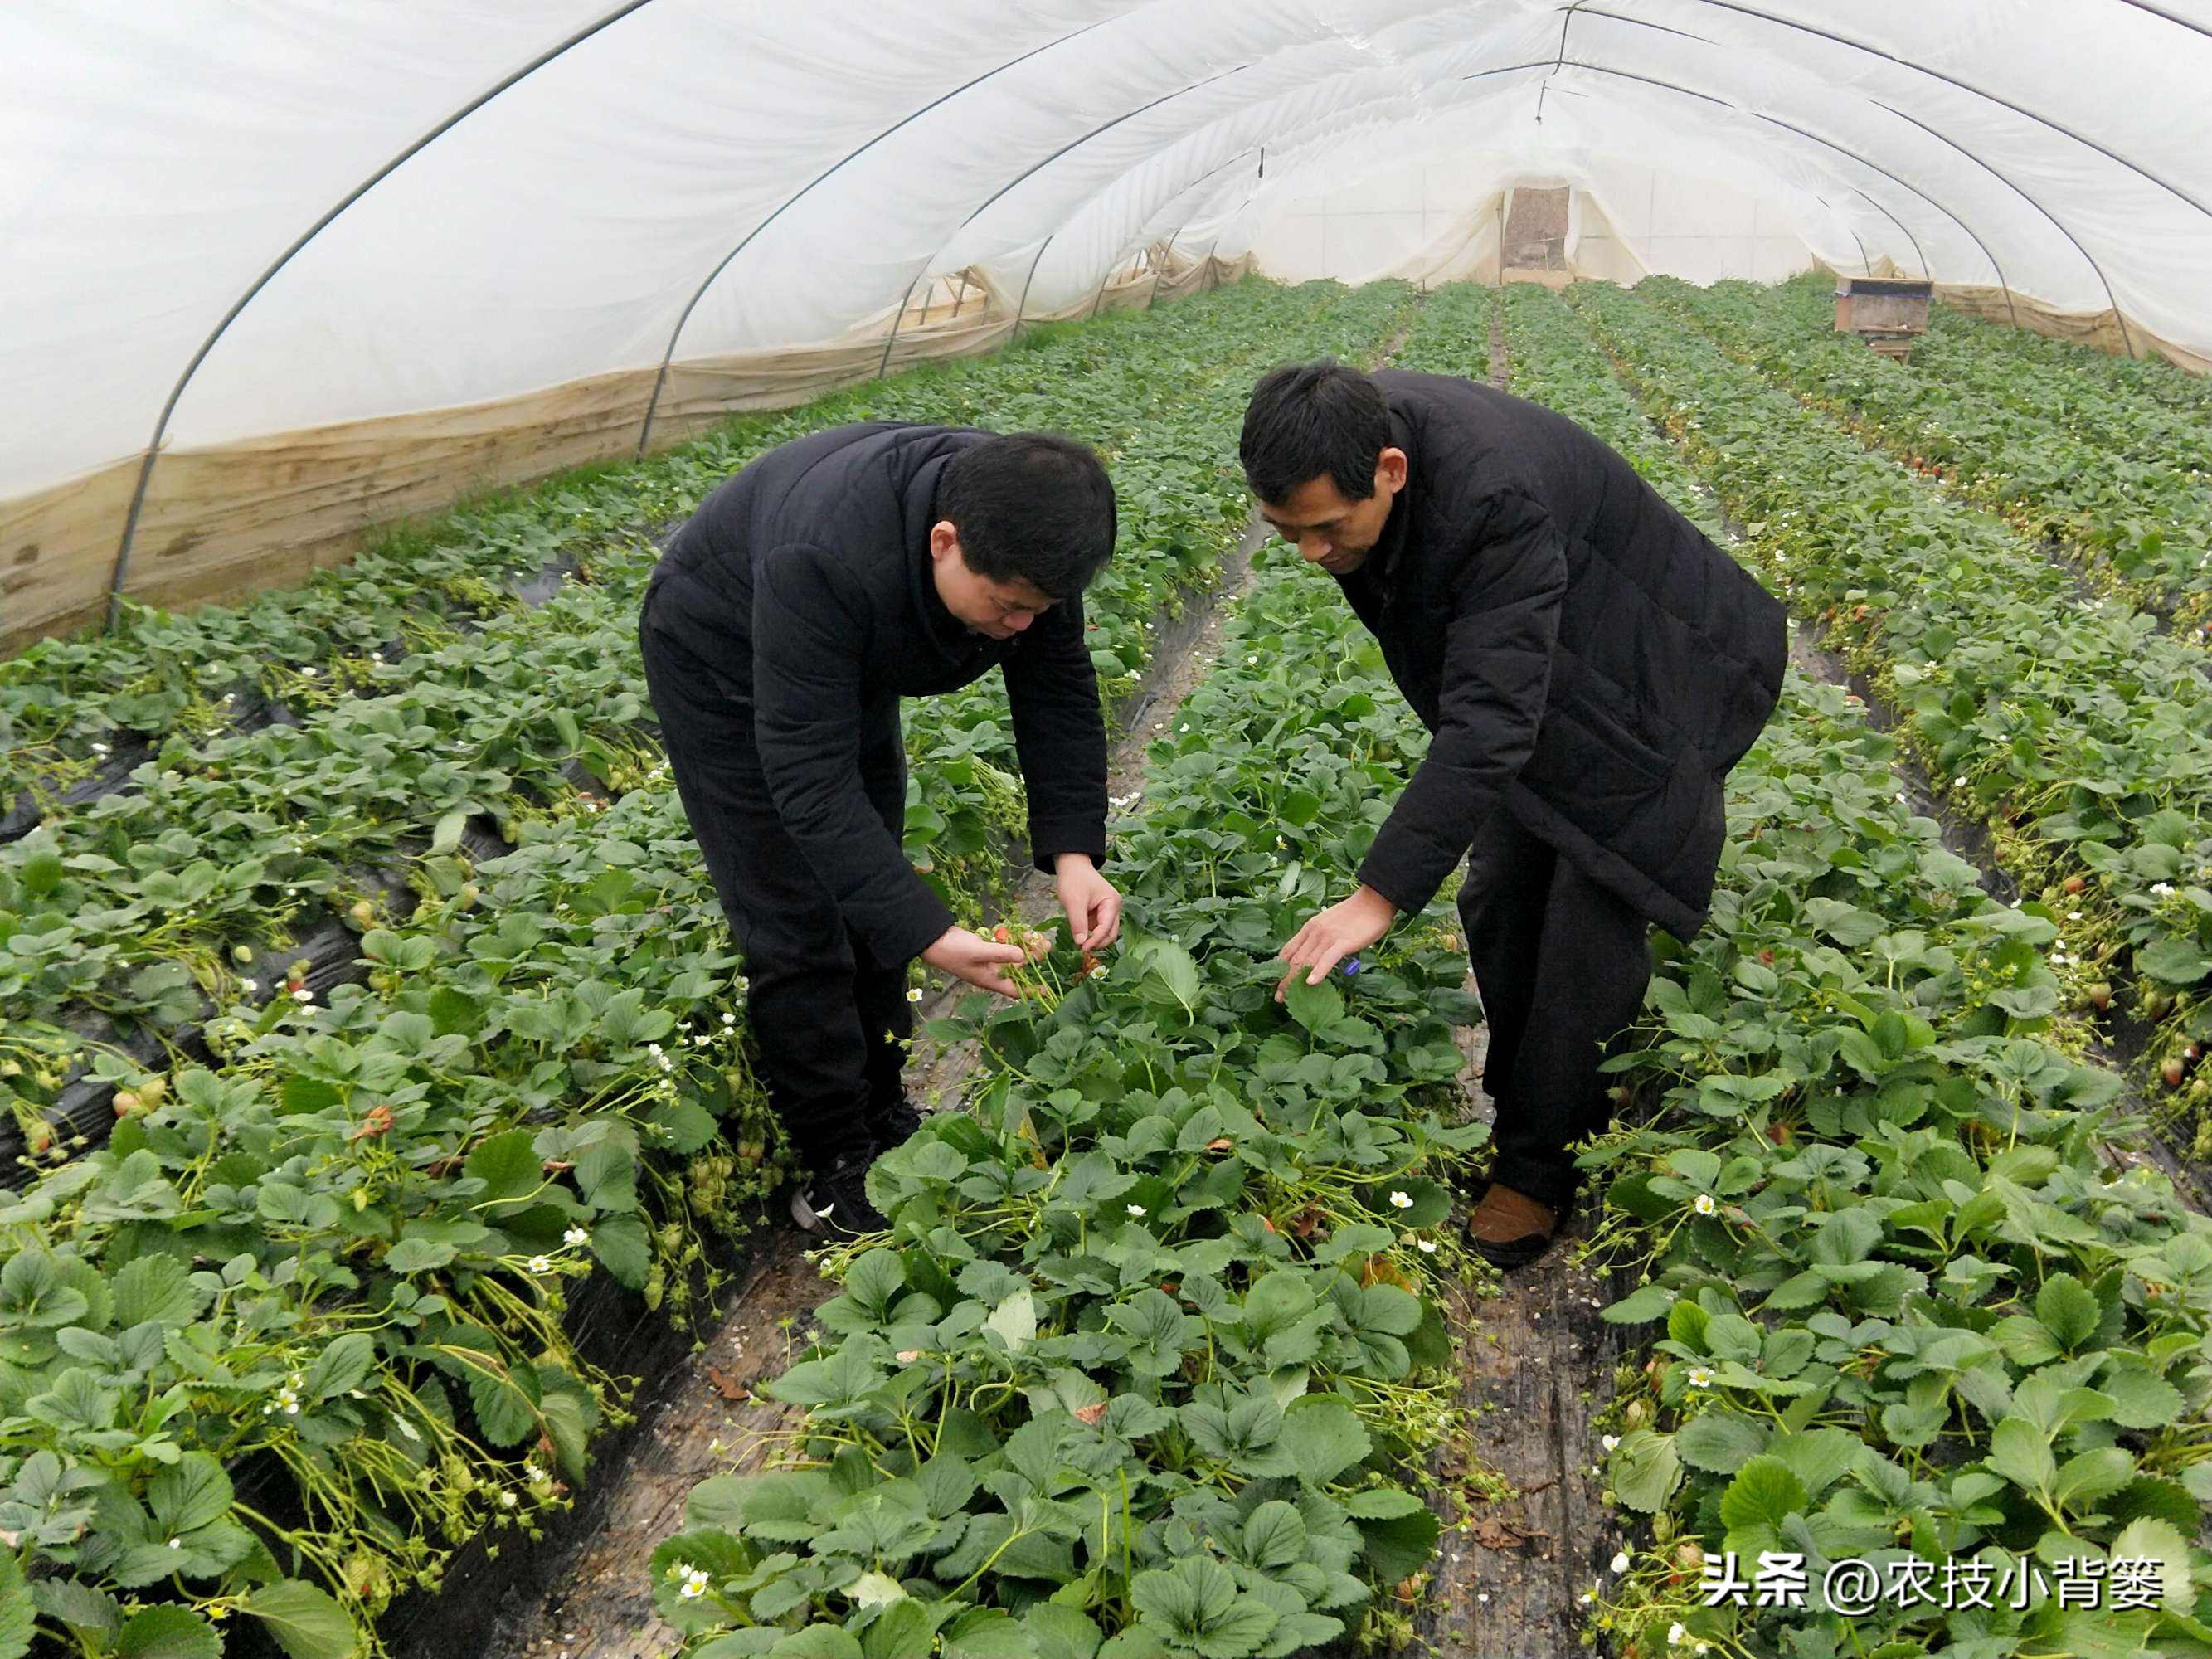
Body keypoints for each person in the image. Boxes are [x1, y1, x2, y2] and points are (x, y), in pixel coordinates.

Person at [1242, 360, 1785, 1267]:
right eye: (1285, 530)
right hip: (1565, 664)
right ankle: (1519, 1105)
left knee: (1587, 914)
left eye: (1327, 528)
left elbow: (1489, 720)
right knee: (1500, 890)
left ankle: (1541, 1168)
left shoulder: (1487, 497)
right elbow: (1484, 690)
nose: (1310, 551)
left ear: (1390, 471)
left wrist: (1376, 895)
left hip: (1664, 674)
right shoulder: (1355, 443)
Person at [639, 424, 1125, 1238]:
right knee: (795, 907)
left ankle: (881, 1105)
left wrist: (1073, 853)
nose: (1018, 626)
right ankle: (834, 1160)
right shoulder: (825, 554)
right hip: (720, 655)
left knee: (872, 869)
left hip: (842, 650)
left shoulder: (1031, 527)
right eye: (1007, 606)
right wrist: (932, 932)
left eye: (1036, 608)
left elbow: (1059, 686)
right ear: (946, 542)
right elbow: (809, 781)